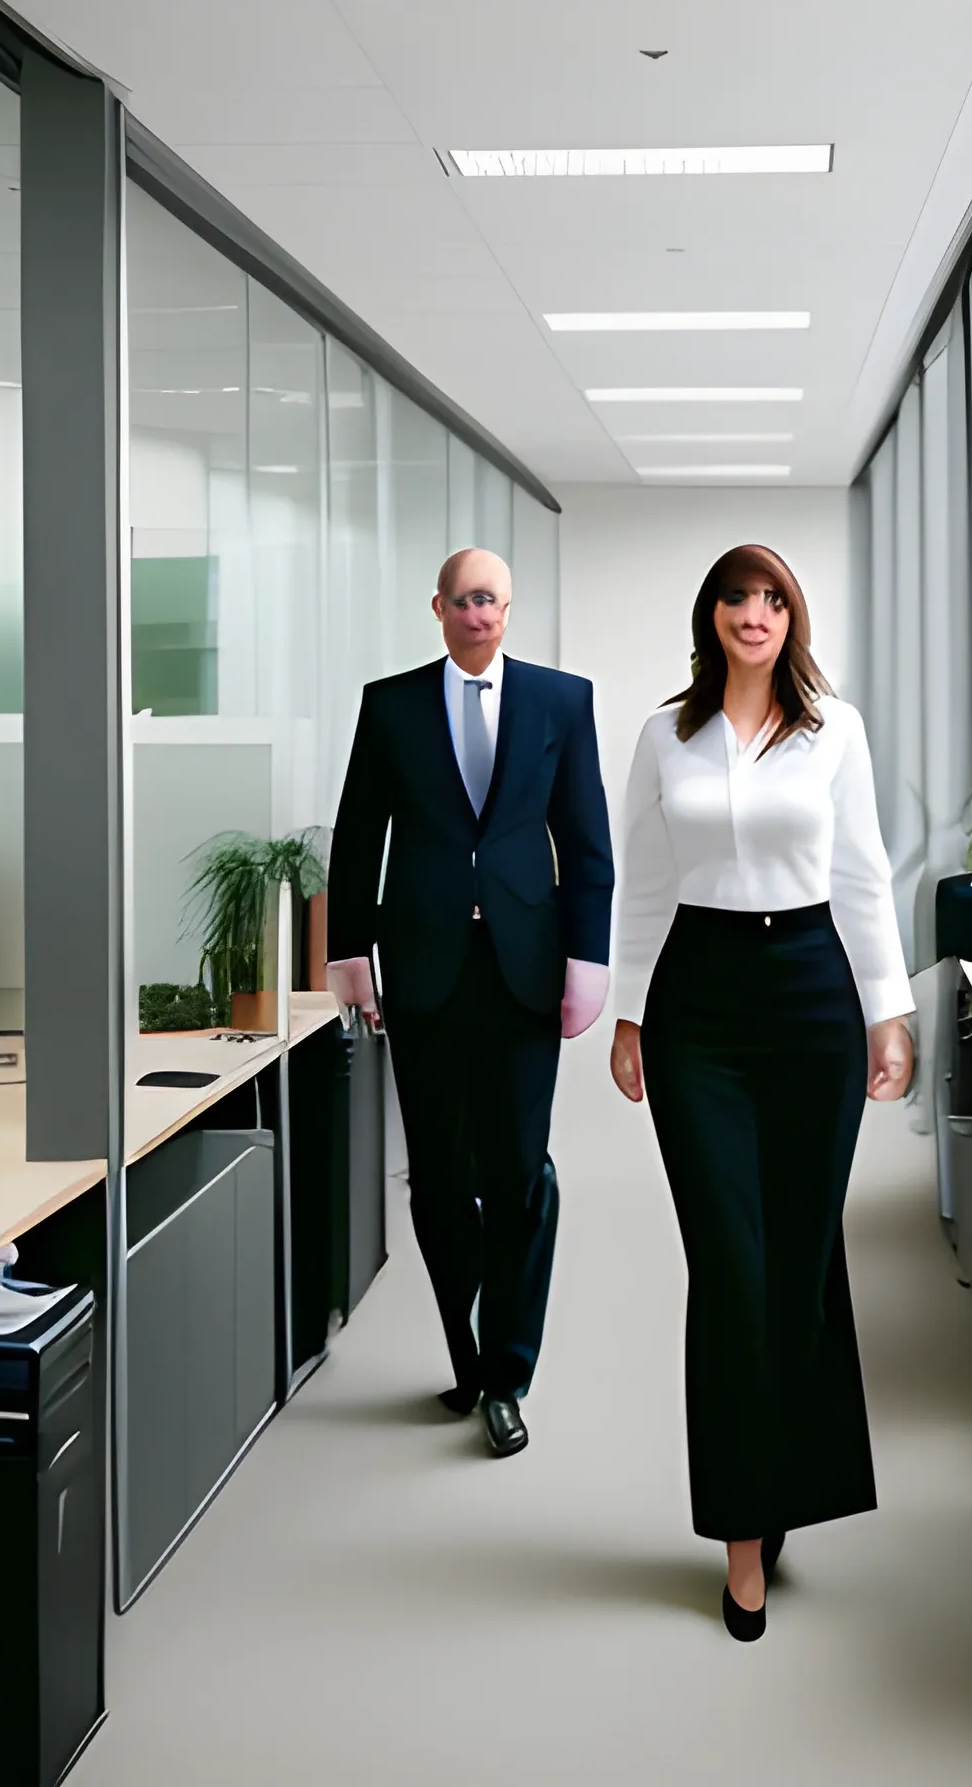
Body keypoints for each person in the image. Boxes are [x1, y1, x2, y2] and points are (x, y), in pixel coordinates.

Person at [608, 543, 913, 1642]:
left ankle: (783, 1481)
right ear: (711, 615)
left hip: (810, 1003)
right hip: (699, 1004)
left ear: (792, 617)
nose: (754, 612)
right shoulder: (663, 733)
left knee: (796, 1256)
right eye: (737, 596)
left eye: (771, 596)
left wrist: (888, 1011)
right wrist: (630, 1012)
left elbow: (864, 872)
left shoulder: (835, 729)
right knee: (728, 1266)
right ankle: (741, 1534)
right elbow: (640, 880)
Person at [327, 549, 614, 1459]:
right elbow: (356, 834)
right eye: (464, 599)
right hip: (424, 967)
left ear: (508, 607)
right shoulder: (391, 704)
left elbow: (587, 838)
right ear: (440, 608)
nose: (479, 612)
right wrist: (349, 953)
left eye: (492, 598)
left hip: (526, 964)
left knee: (519, 1172)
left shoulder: (563, 701)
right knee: (443, 1178)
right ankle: (466, 1348)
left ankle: (508, 1372)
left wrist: (590, 957)